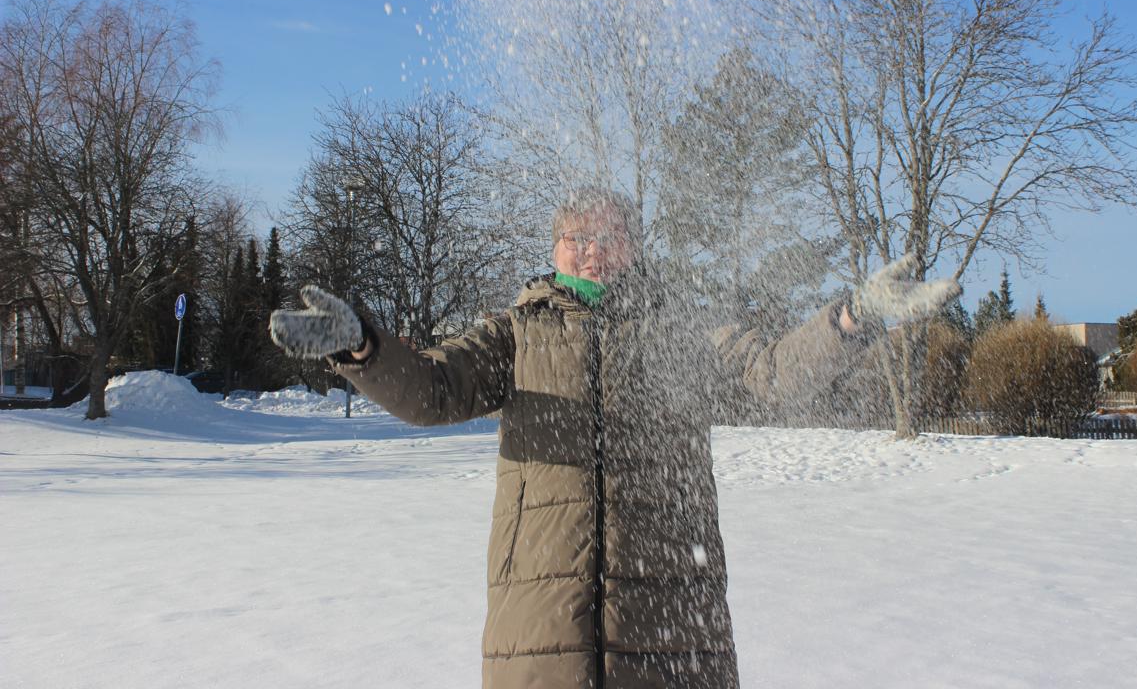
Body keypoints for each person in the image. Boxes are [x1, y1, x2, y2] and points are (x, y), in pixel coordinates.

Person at [269, 186, 958, 689]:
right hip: (540, 631)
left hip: (669, 624)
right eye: (578, 237)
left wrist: (853, 317)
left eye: (609, 236)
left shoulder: (680, 332)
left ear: (634, 247)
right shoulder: (514, 334)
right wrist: (363, 349)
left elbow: (772, 373)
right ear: (555, 249)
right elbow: (431, 390)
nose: (593, 251)